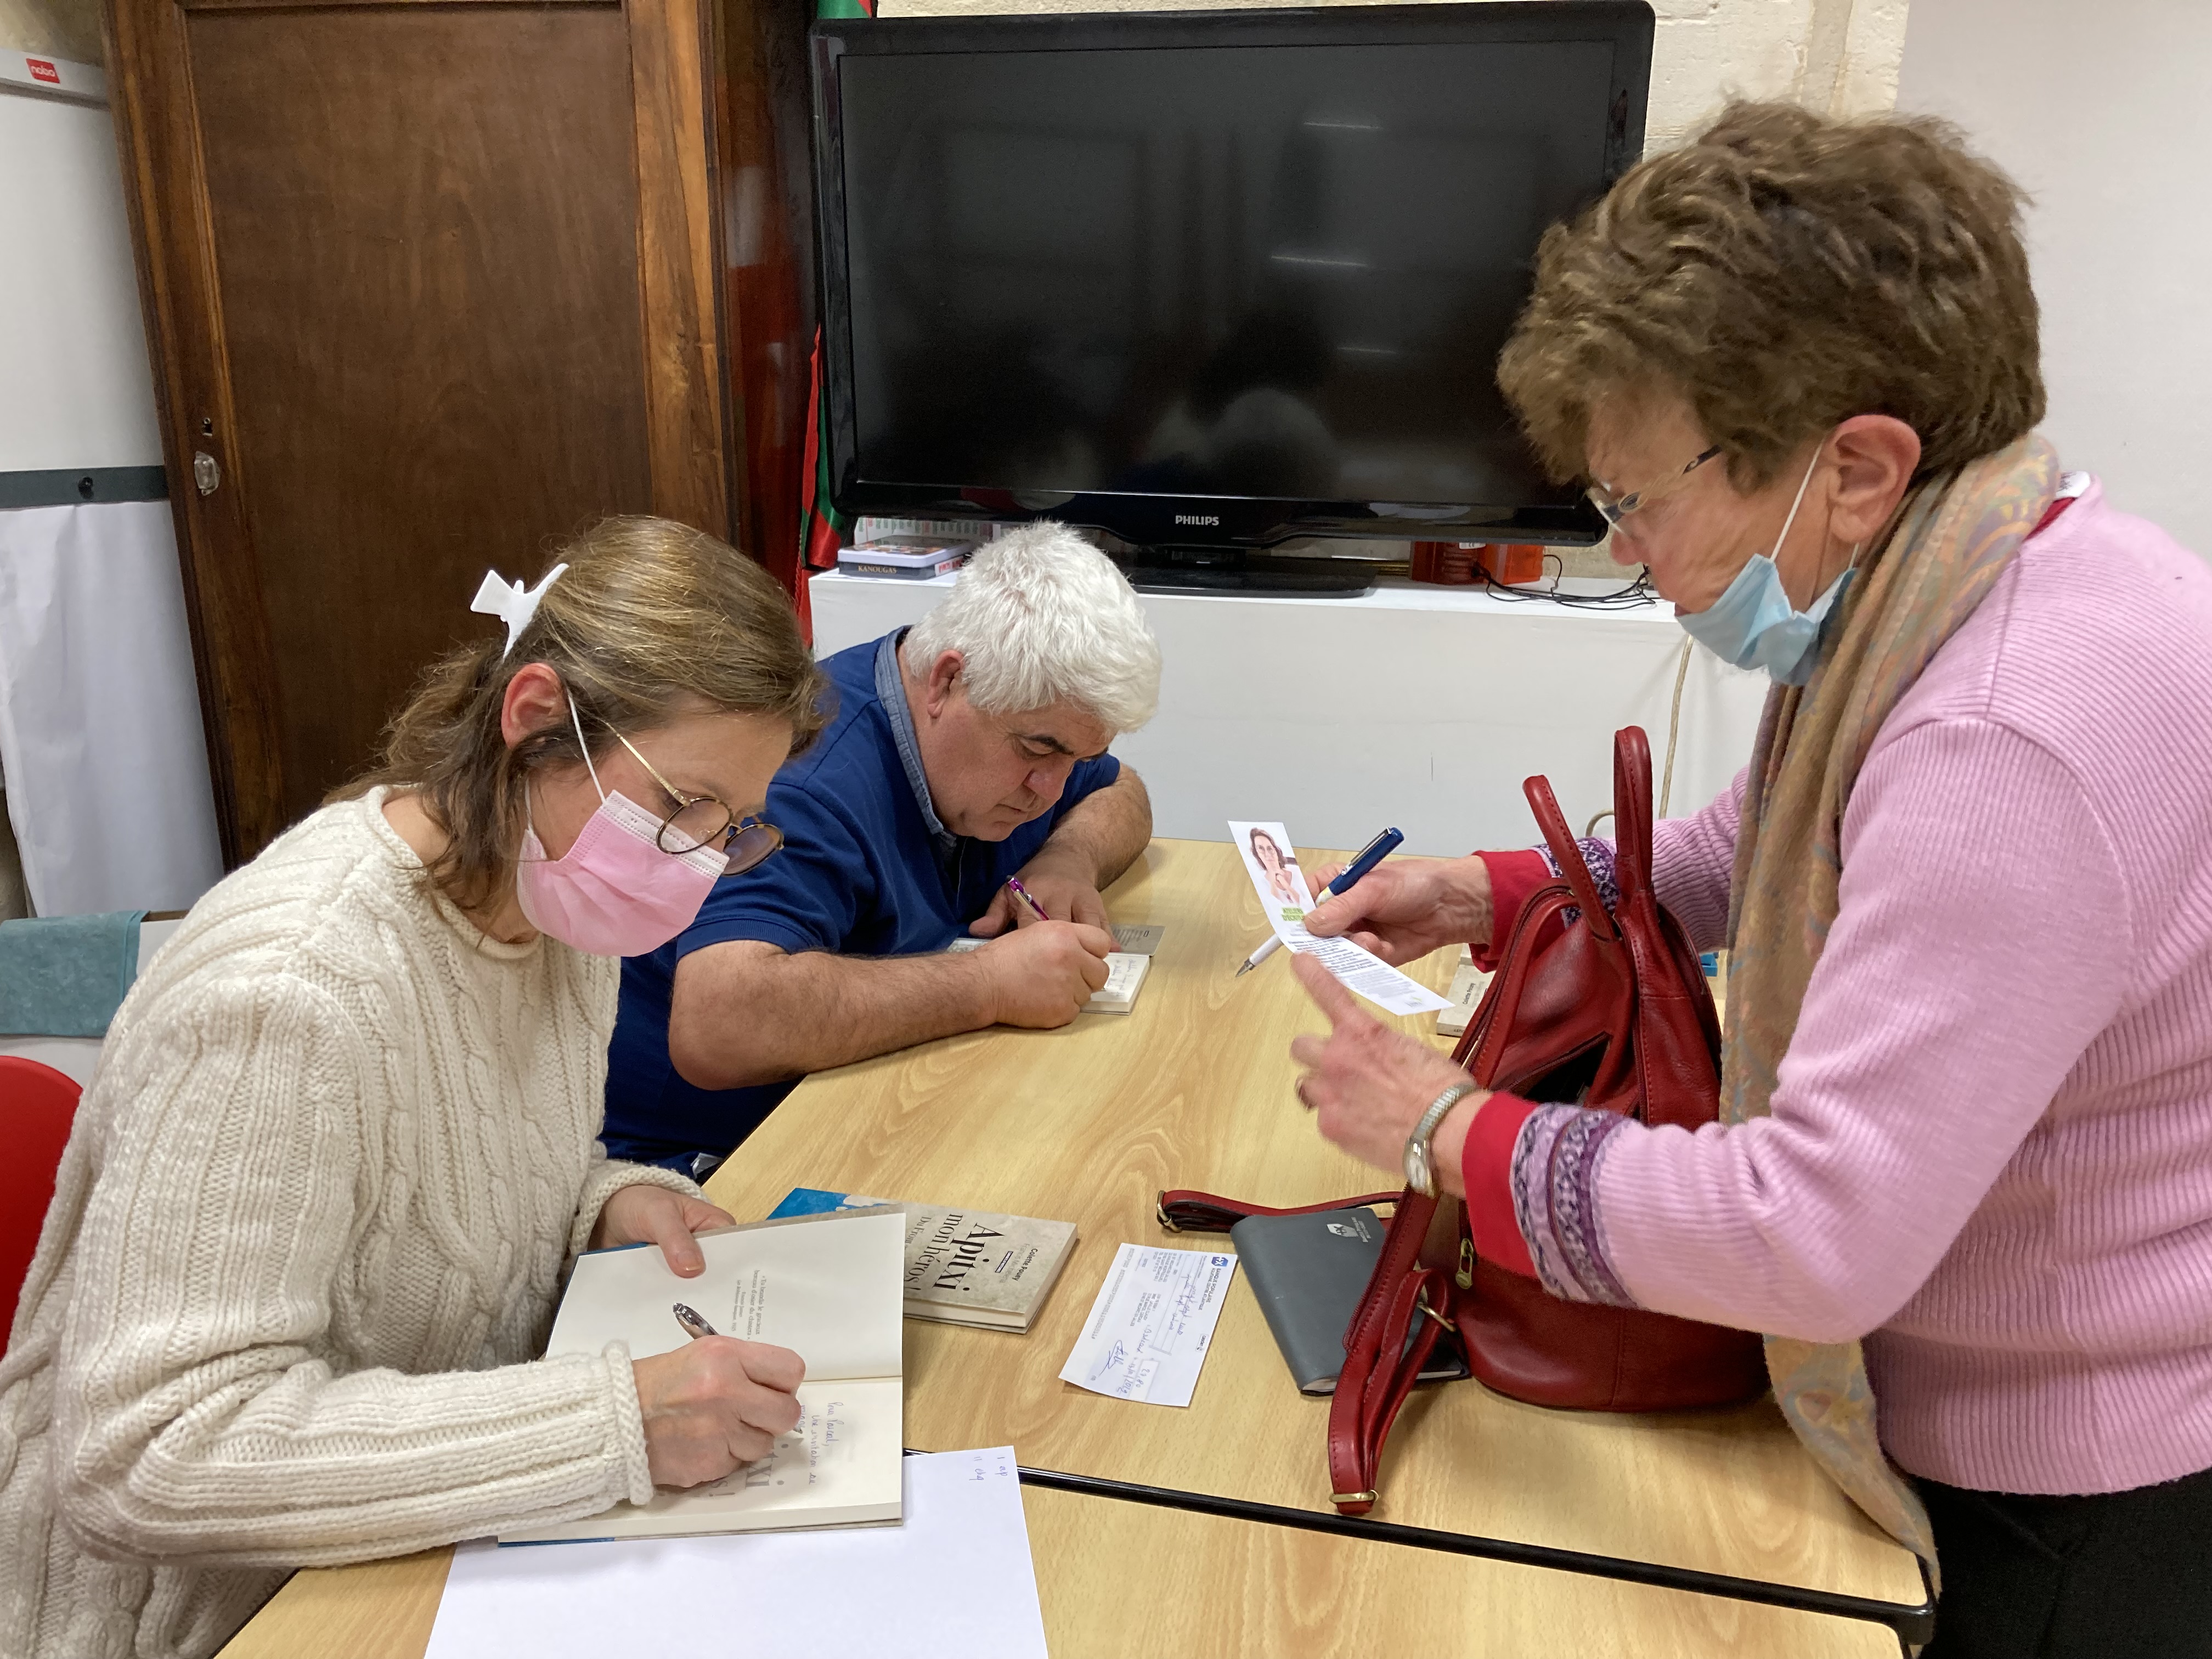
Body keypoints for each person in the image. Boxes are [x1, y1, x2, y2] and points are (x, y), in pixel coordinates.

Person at [1288, 104, 2212, 1659]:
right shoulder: (1957, 577)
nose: (1635, 554)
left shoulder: (1999, 736)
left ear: (1853, 466)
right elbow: (1755, 849)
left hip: (2066, 1482)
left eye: (1642, 501)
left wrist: (1452, 1135)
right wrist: (1494, 894)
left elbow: (1813, 1232)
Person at [0, 518, 833, 1659]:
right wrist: (615, 1420)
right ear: (535, 718)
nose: (692, 858)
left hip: (400, 1550)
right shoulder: (287, 990)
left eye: (729, 829)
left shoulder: (551, 909)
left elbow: (435, 1173)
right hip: (204, 1618)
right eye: (679, 804)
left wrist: (605, 1203)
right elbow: (149, 1453)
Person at [604, 522, 1159, 1175]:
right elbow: (721, 1022)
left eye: (1079, 756)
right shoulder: (805, 780)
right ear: (948, 682)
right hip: (699, 1166)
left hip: (871, 1110)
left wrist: (1069, 858)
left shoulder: (1009, 724)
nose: (1052, 788)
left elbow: (1123, 791)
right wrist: (989, 983)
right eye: (1039, 749)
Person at [1248, 827, 1302, 908]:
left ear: (1276, 851)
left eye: (1270, 849)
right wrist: (1273, 883)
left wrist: (1283, 882)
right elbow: (1278, 910)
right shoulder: (1261, 884)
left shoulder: (1296, 871)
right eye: (1261, 849)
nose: (1267, 854)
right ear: (1257, 855)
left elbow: (1305, 905)